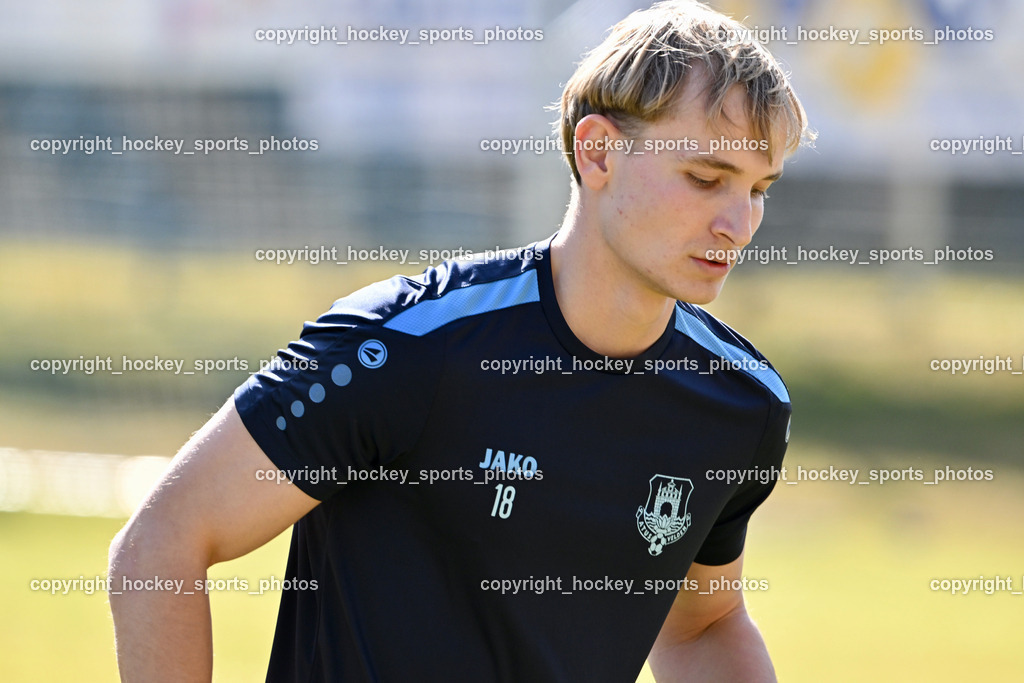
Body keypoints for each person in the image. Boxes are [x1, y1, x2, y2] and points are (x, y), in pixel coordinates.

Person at [108, 1, 812, 681]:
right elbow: (161, 542)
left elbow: (702, 624)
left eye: (758, 189)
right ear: (598, 153)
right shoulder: (407, 347)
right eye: (705, 178)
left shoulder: (741, 405)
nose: (739, 224)